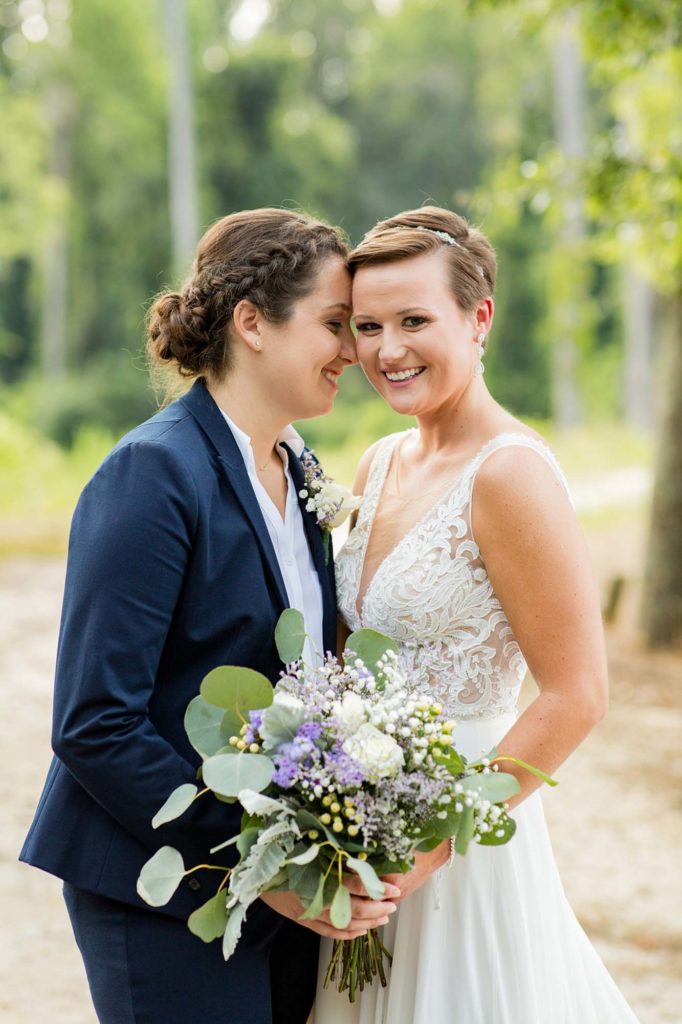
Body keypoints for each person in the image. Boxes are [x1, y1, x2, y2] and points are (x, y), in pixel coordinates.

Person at [19, 207, 397, 1024]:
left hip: (280, 886)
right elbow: (95, 722)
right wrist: (266, 867)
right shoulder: (152, 475)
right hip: (159, 888)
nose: (352, 351)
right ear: (252, 323)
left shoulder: (301, 470)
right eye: (334, 324)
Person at [312, 206, 640, 1022]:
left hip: (462, 839)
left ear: (479, 316)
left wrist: (421, 852)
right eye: (368, 326)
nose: (387, 351)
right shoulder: (381, 460)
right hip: (361, 827)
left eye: (415, 320)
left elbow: (577, 694)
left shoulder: (510, 474)